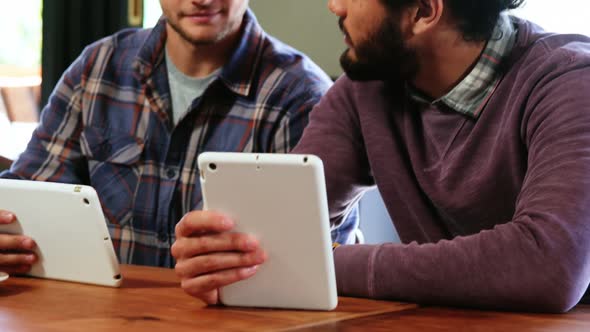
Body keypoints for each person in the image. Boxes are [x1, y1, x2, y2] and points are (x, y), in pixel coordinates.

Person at [171, 0, 590, 312]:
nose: (334, 6)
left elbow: (548, 266)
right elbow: (271, 236)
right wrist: (224, 259)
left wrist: (315, 266)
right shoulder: (367, 85)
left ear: (424, 11)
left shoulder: (570, 83)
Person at [0, 0, 345, 273]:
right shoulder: (97, 69)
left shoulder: (300, 97)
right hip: (99, 318)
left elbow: (318, 261)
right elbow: (29, 197)